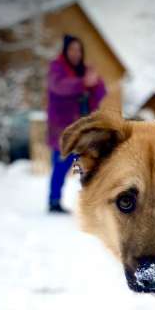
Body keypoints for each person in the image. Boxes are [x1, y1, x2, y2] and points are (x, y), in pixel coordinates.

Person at [46, 34, 106, 213]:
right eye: (72, 49)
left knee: (84, 166)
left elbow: (101, 91)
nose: (76, 53)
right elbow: (59, 86)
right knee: (61, 167)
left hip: (83, 131)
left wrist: (94, 82)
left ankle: (89, 201)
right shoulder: (57, 69)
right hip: (62, 131)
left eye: (78, 49)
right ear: (65, 50)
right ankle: (54, 201)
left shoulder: (84, 70)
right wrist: (83, 83)